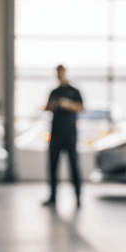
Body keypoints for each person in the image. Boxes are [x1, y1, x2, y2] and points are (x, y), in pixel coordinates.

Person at [43, 64, 84, 207]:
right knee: (53, 166)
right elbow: (46, 107)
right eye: (57, 72)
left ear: (65, 72)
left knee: (74, 166)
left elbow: (82, 108)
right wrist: (55, 105)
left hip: (70, 135)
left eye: (61, 72)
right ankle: (53, 197)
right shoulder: (54, 92)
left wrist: (68, 104)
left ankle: (78, 198)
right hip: (55, 134)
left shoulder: (74, 91)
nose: (59, 75)